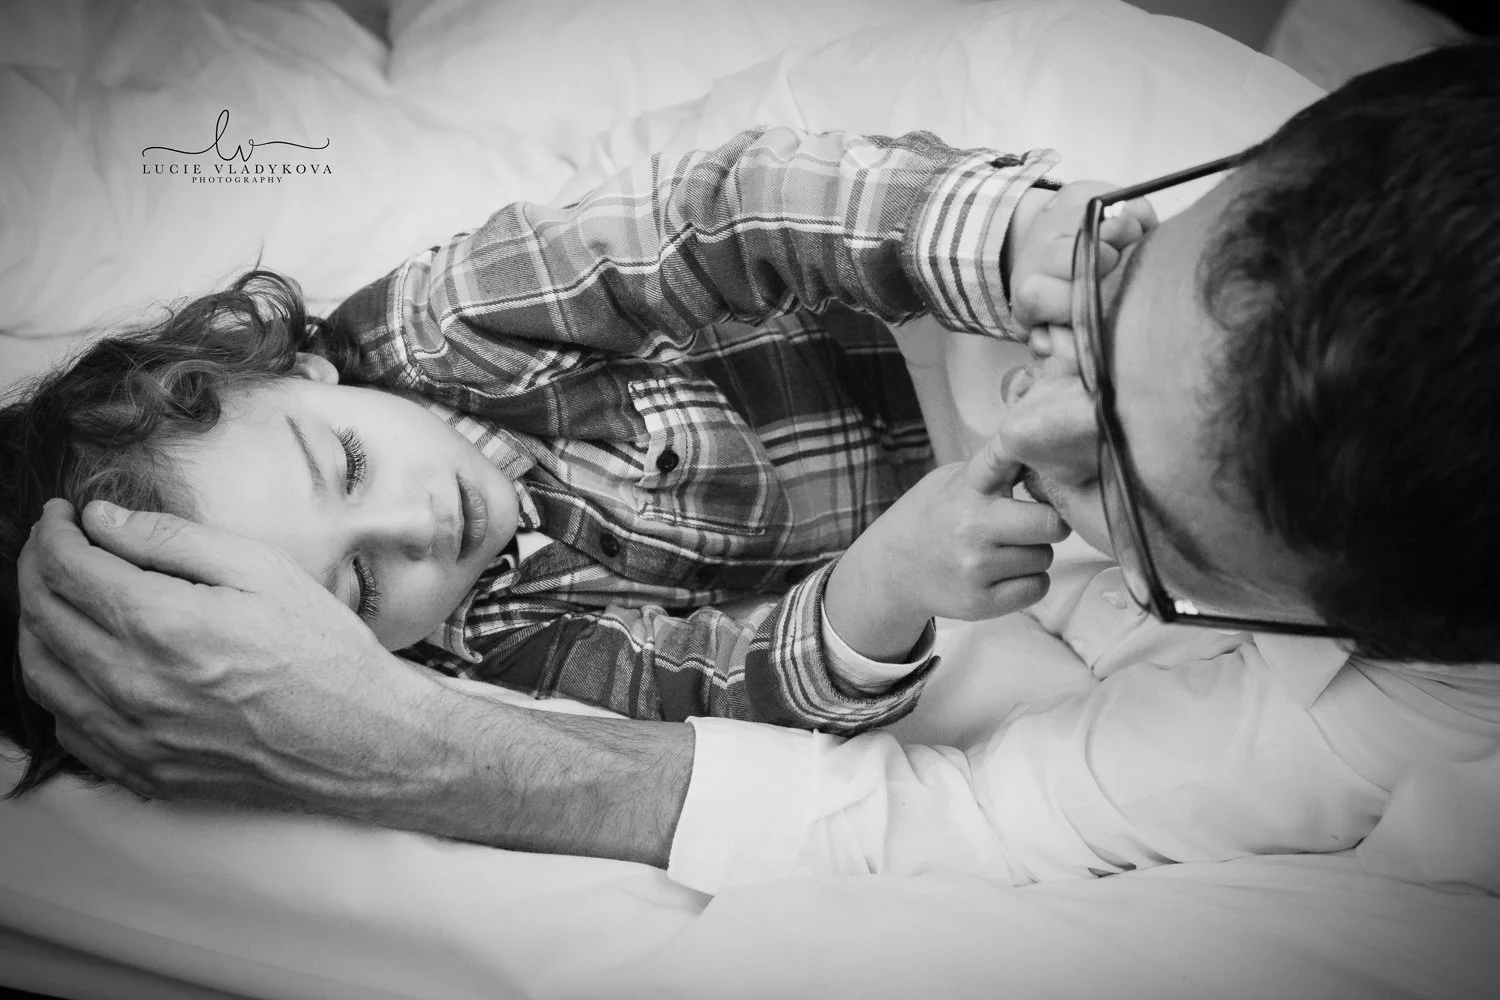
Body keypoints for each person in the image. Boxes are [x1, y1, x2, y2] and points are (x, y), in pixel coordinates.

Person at [14, 41, 1500, 892]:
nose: (413, 520)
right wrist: (885, 586)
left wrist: (993, 241)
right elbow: (722, 685)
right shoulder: (501, 637)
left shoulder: (451, 326)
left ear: (299, 372)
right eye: (356, 590)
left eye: (1133, 493)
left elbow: (713, 224)